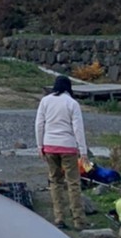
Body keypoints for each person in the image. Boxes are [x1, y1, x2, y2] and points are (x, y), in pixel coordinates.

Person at [36, 74, 88, 229]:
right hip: (68, 147)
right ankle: (78, 220)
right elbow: (78, 129)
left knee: (55, 181)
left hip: (49, 145)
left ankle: (59, 218)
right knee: (73, 183)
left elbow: (39, 124)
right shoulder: (72, 103)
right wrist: (83, 151)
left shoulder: (45, 101)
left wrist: (40, 146)